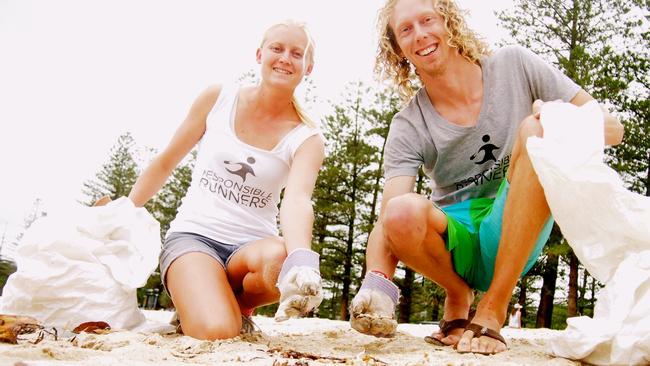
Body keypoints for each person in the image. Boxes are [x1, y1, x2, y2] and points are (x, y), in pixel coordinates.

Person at [349, 0, 623, 355]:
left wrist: (559, 120)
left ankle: (493, 307)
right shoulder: (409, 124)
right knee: (400, 211)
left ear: (449, 21)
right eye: (406, 30)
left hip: (512, 225)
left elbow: (613, 130)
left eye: (427, 20)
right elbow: (388, 220)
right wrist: (377, 283)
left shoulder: (514, 65)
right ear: (397, 50)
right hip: (453, 241)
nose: (420, 35)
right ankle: (458, 291)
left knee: (535, 129)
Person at [99, 20, 325, 340]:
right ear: (260, 54)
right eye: (277, 48)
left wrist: (302, 260)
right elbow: (165, 162)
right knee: (218, 331)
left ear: (308, 67)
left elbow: (298, 200)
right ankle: (208, 303)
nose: (285, 57)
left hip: (251, 252)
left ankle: (237, 304)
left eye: (296, 53)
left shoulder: (307, 138)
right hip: (194, 239)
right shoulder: (218, 99)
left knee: (281, 261)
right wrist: (123, 209)